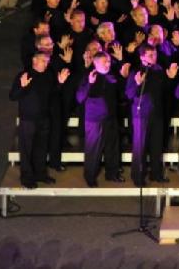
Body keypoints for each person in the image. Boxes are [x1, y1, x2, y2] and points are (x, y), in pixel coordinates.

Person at [9, 52, 70, 188]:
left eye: (47, 61)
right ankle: (27, 178)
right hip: (28, 119)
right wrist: (22, 86)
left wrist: (60, 83)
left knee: (41, 149)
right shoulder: (24, 75)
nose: (46, 64)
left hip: (44, 119)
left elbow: (53, 93)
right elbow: (13, 96)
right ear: (34, 60)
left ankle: (40, 174)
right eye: (43, 61)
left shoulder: (48, 75)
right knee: (27, 150)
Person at [75, 52, 125, 187]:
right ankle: (90, 176)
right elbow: (79, 97)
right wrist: (89, 84)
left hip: (111, 117)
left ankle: (112, 173)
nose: (108, 64)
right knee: (93, 149)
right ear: (95, 63)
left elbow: (122, 93)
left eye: (109, 61)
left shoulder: (112, 76)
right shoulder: (88, 76)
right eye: (105, 62)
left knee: (112, 147)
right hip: (95, 120)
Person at [125, 44, 171, 186]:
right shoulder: (136, 71)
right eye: (150, 55)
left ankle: (156, 174)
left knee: (157, 144)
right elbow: (129, 94)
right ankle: (138, 176)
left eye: (155, 54)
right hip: (141, 113)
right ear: (142, 57)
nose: (154, 57)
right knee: (140, 146)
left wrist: (170, 78)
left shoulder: (159, 70)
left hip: (157, 112)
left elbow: (166, 91)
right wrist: (137, 84)